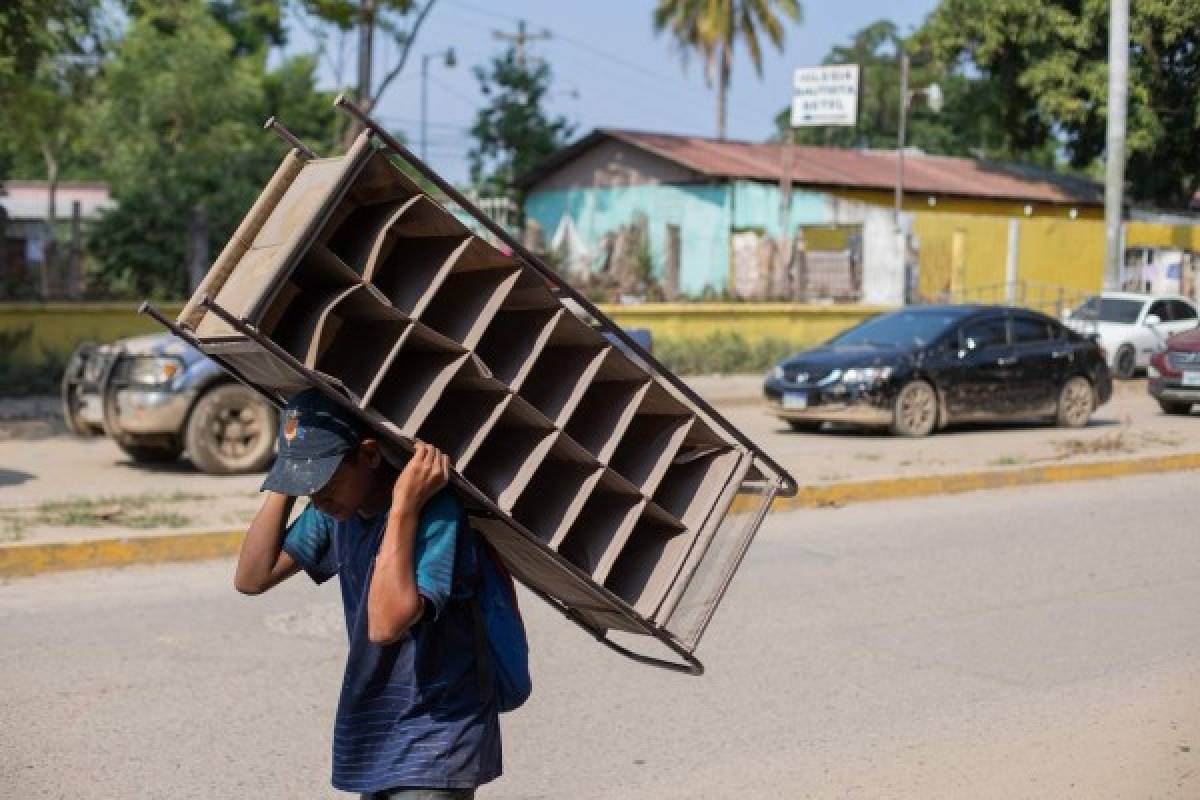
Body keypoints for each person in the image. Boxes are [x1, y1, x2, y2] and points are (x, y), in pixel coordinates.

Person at [233, 388, 501, 799]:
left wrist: (403, 507)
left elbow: (384, 623)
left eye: (324, 480)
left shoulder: (434, 513)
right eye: (307, 486)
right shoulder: (334, 511)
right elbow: (251, 577)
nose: (316, 497)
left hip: (436, 734)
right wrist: (289, 479)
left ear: (370, 455)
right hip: (380, 729)